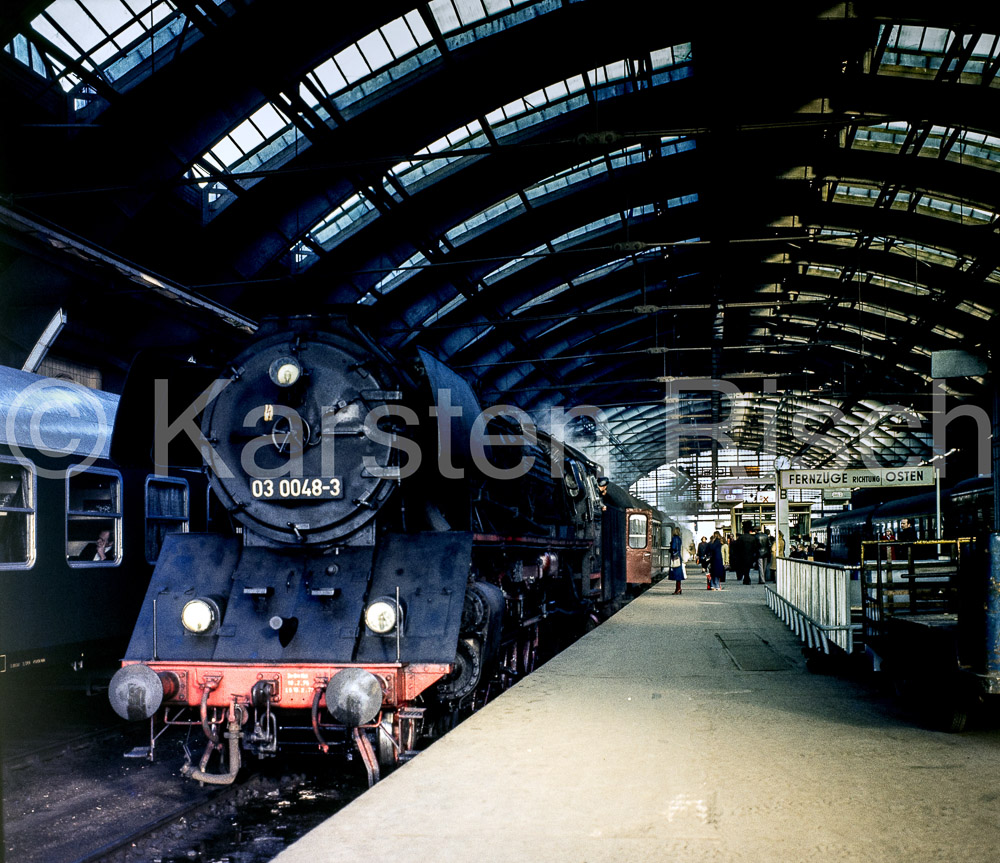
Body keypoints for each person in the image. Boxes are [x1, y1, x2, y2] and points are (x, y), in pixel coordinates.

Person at [732, 521, 759, 585]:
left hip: (742, 556)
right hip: (750, 555)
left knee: (744, 567)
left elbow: (736, 548)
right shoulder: (753, 538)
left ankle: (746, 578)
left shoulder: (741, 538)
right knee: (748, 567)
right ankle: (747, 578)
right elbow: (755, 548)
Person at [668, 527, 685, 594]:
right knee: (679, 574)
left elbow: (673, 547)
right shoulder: (679, 539)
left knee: (676, 573)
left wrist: (670, 550)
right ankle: (679, 588)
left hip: (675, 558)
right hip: (679, 557)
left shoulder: (674, 538)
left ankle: (678, 589)